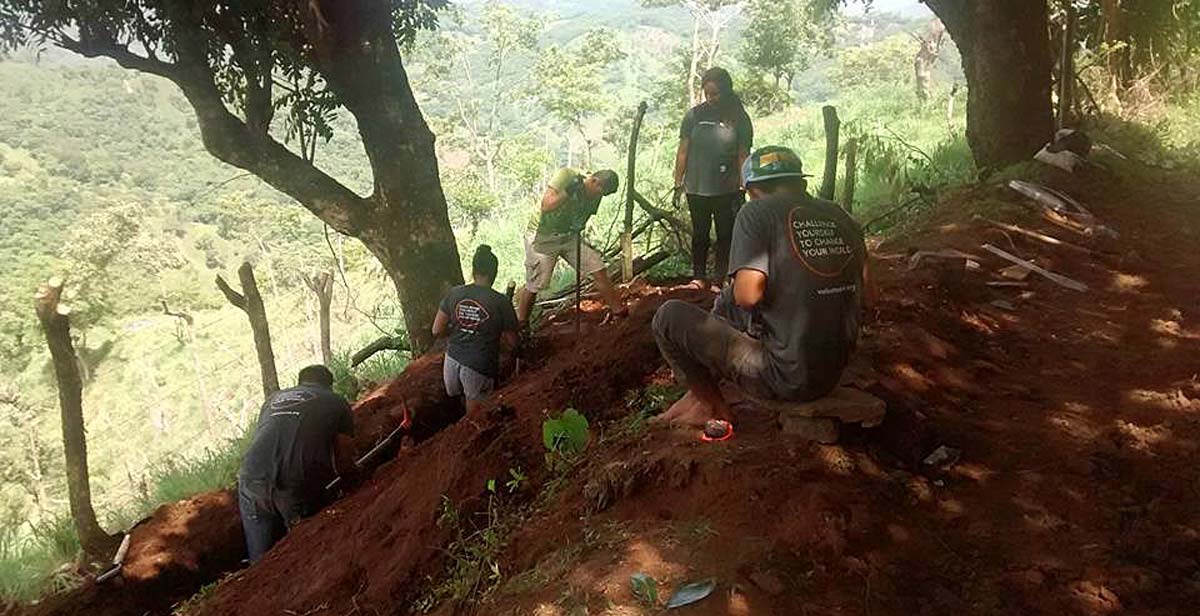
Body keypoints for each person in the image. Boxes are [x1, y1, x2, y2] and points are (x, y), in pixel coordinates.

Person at [652, 146, 873, 439]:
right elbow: (871, 294)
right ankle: (695, 398)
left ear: (752, 189)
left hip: (788, 377)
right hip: (832, 372)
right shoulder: (838, 215)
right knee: (728, 298)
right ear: (800, 182)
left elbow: (749, 296)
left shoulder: (756, 212)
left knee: (669, 317)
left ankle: (711, 406)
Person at [237, 365, 354, 563]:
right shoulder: (336, 401)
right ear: (329, 385)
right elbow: (344, 458)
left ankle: (259, 571)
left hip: (250, 478)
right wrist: (355, 482)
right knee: (306, 554)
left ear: (300, 382)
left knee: (262, 565)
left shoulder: (272, 400)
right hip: (295, 482)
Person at [673, 66, 755, 287]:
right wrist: (677, 183)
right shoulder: (694, 116)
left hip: (726, 188)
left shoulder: (739, 118)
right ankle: (698, 277)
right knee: (700, 234)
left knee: (725, 234)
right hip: (696, 187)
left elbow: (743, 154)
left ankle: (720, 279)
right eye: (707, 94)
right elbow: (683, 151)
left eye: (715, 94)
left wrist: (743, 184)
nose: (711, 98)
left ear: (726, 91)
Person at [515, 167, 627, 326]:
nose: (599, 196)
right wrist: (568, 191)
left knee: (597, 267)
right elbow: (546, 205)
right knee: (537, 283)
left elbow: (583, 217)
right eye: (599, 192)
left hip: (569, 237)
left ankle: (619, 312)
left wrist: (577, 229)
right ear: (594, 181)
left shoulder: (596, 195)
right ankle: (522, 323)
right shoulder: (567, 176)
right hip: (543, 236)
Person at [432, 245, 520, 413]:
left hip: (451, 366)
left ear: (473, 270)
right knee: (474, 420)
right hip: (478, 368)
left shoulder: (455, 293)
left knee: (461, 403)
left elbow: (436, 330)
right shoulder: (501, 302)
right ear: (495, 273)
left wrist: (460, 328)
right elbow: (513, 343)